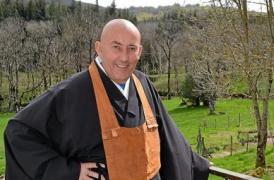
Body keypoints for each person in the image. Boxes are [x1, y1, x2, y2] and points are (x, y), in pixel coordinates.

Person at [4, 19, 210, 180]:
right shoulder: (73, 91)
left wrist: (199, 166)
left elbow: (169, 139)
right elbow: (18, 132)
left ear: (139, 52)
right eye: (116, 47)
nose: (124, 57)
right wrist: (69, 172)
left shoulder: (143, 83)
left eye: (131, 48)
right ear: (99, 48)